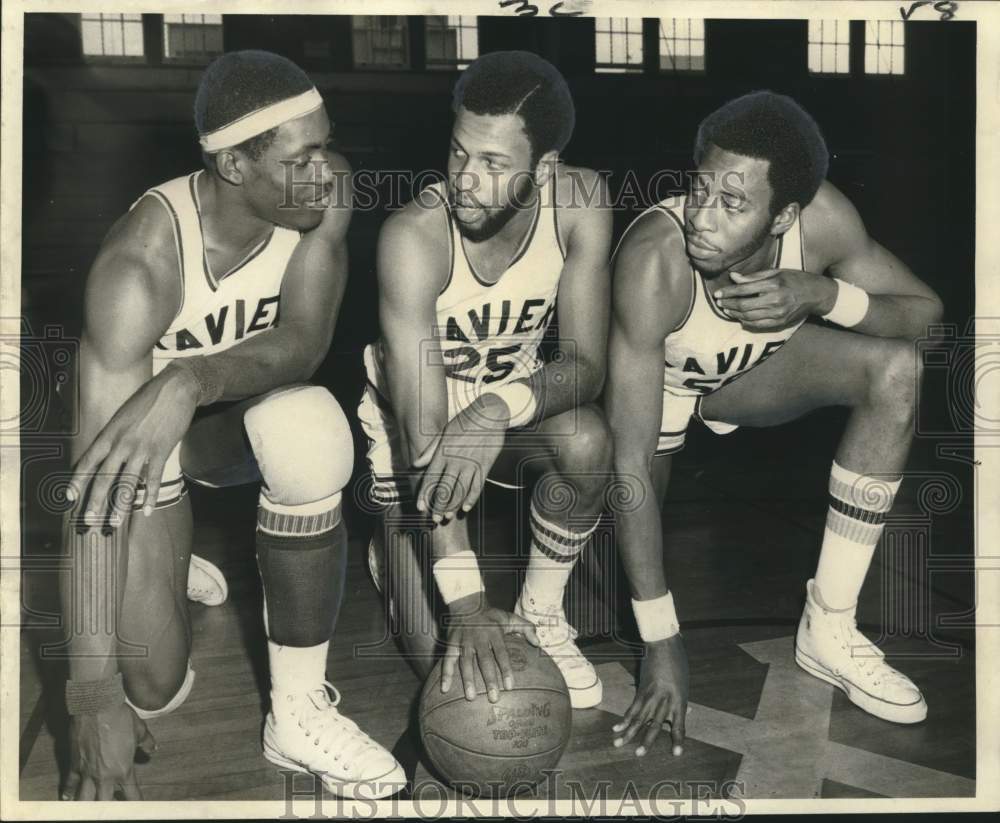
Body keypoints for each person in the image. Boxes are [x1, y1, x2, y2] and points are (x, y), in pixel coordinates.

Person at [61, 50, 404, 801]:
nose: (327, 170)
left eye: (325, 142)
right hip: (145, 456)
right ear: (234, 168)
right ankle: (168, 557)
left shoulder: (326, 195)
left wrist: (191, 377)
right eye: (301, 156)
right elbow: (93, 497)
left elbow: (306, 341)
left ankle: (298, 708)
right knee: (154, 690)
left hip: (236, 421)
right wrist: (91, 696)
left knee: (309, 425)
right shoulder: (137, 270)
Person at [605, 90, 944, 757]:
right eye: (699, 188)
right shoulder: (655, 260)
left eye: (733, 203)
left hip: (745, 378)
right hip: (659, 389)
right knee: (602, 477)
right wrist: (662, 642)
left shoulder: (823, 222)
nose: (702, 216)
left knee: (897, 370)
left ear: (786, 212)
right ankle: (540, 605)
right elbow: (629, 465)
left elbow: (927, 317)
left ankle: (831, 625)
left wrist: (826, 295)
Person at [360, 51, 614, 709]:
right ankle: (391, 549)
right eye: (459, 153)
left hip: (507, 401)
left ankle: (542, 611)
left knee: (587, 442)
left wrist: (499, 406)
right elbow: (425, 434)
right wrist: (469, 606)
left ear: (546, 169)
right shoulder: (412, 237)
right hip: (411, 426)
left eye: (495, 164)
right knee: (447, 678)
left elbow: (588, 366)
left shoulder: (580, 201)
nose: (467, 180)